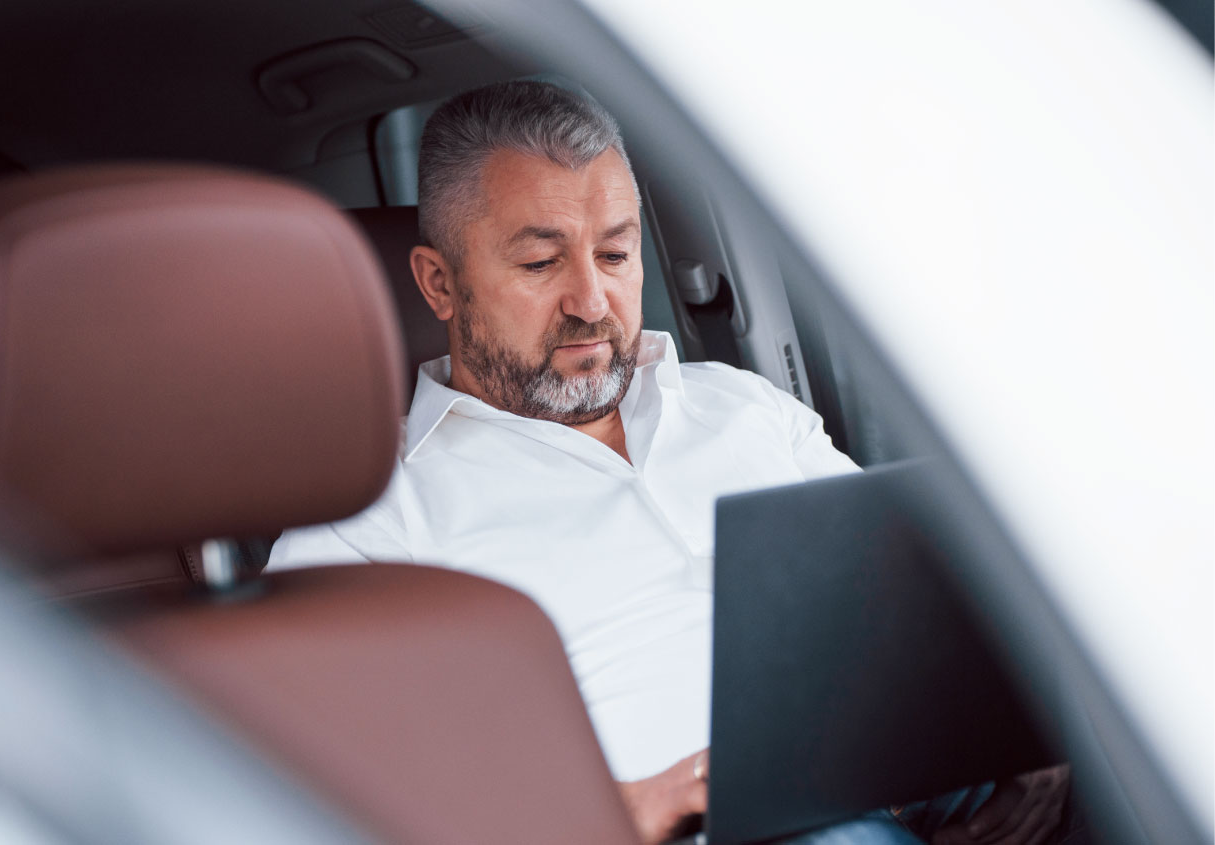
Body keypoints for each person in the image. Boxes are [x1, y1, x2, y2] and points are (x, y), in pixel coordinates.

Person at [269, 80, 1072, 845]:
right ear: (440, 283)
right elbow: (289, 792)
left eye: (615, 254)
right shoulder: (371, 520)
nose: (591, 301)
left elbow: (914, 619)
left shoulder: (741, 404)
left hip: (892, 763)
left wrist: (1014, 732)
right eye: (542, 263)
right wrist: (604, 810)